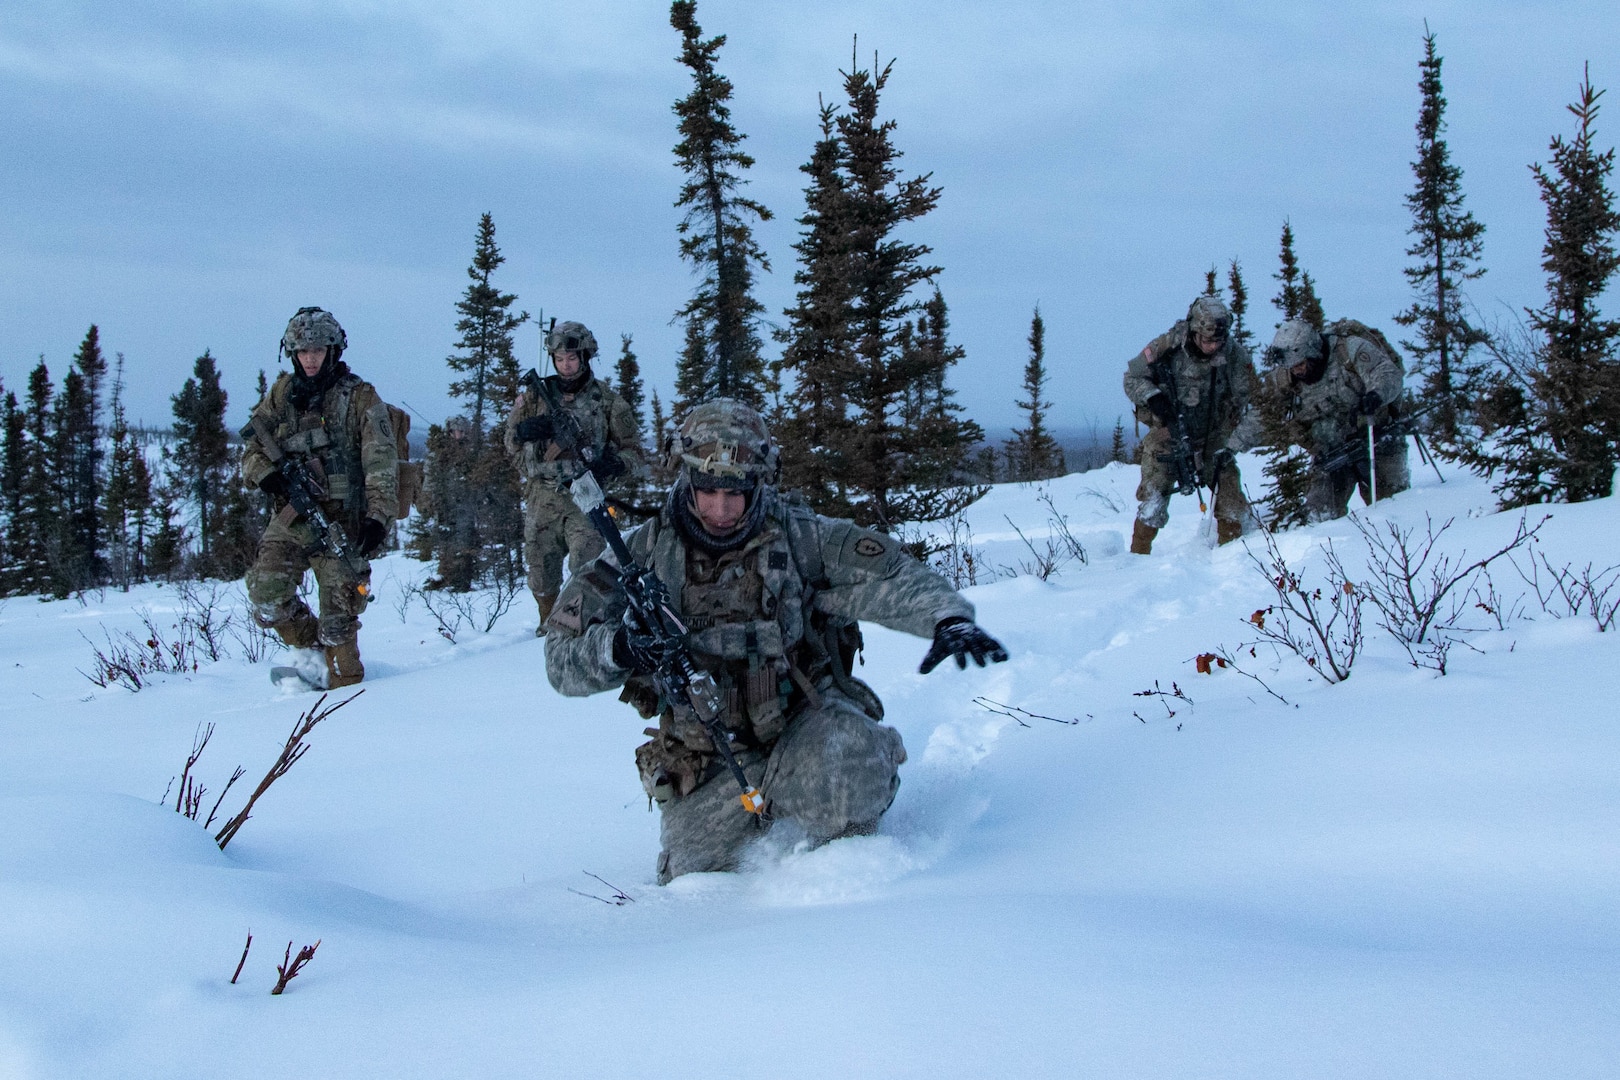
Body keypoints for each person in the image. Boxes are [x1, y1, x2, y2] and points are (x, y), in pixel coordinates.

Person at [544, 399, 1009, 884]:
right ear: (685, 476)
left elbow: (890, 571)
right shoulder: (640, 556)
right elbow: (559, 660)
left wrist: (946, 617)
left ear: (759, 481)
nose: (720, 510)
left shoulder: (801, 536)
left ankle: (849, 826)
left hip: (801, 721)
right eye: (706, 491)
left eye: (736, 493)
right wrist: (621, 648)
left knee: (850, 780)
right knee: (694, 881)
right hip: (709, 751)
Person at [243, 307, 398, 688]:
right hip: (293, 517)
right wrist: (269, 478)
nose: (309, 359)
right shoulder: (282, 393)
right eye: (301, 351)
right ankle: (313, 652)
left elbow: (381, 462)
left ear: (332, 350)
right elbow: (251, 450)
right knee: (266, 596)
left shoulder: (360, 397)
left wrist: (378, 519)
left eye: (316, 350)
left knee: (341, 623)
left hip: (342, 523)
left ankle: (343, 681)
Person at [504, 320, 644, 632]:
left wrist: (612, 464)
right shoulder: (532, 399)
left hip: (586, 495)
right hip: (543, 496)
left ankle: (579, 625)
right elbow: (509, 443)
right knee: (541, 569)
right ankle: (546, 622)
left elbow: (635, 452)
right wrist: (526, 434)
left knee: (589, 564)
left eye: (571, 358)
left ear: (584, 357)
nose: (566, 366)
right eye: (559, 360)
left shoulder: (607, 401)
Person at [1122, 296, 1262, 554]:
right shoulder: (1167, 345)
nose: (1213, 346)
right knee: (1153, 499)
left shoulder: (1234, 355)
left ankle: (1232, 558)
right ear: (1195, 331)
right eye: (1208, 340)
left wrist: (1233, 445)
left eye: (1218, 341)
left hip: (1214, 436)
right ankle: (1136, 560)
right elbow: (1132, 377)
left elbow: (1258, 404)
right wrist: (1154, 399)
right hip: (1167, 433)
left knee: (1230, 497)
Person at [1266, 318, 1410, 521]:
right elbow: (1262, 412)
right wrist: (1232, 446)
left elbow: (1388, 374)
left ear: (1312, 352)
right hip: (1332, 453)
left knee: (1393, 510)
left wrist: (1376, 395)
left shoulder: (1350, 349)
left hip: (1375, 439)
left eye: (1300, 364)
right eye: (1292, 367)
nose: (1296, 371)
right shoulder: (1286, 376)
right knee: (1319, 517)